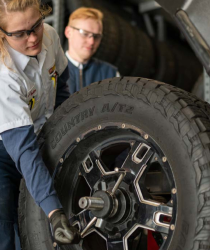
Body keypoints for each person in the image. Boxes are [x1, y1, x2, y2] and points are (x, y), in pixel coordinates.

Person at [0, 1, 80, 249]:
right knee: (5, 229)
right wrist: (54, 213)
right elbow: (24, 151)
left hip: (40, 136)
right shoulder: (5, 76)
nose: (33, 37)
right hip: (5, 151)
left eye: (36, 25)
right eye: (20, 34)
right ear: (3, 34)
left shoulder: (51, 37)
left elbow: (63, 92)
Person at [64, 7, 120, 94]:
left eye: (96, 36)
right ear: (68, 32)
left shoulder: (111, 74)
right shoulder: (50, 72)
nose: (92, 42)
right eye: (85, 33)